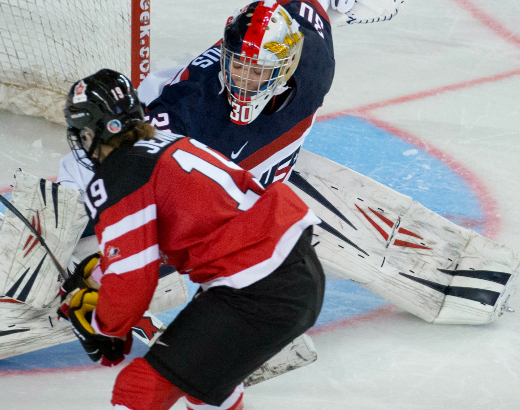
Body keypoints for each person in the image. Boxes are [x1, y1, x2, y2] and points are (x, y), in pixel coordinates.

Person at [62, 69, 325, 409]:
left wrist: (105, 326)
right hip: (293, 270)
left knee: (138, 389)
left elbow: (133, 280)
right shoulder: (168, 142)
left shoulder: (120, 173)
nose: (84, 143)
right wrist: (101, 277)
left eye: (84, 134)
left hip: (257, 287)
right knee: (206, 386)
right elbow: (148, 246)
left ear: (98, 131)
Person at [57, 0, 336, 192]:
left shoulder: (317, 64)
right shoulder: (194, 106)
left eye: (257, 71)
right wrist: (70, 189)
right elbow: (131, 143)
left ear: (286, 69)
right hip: (170, 102)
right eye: (238, 65)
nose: (243, 80)